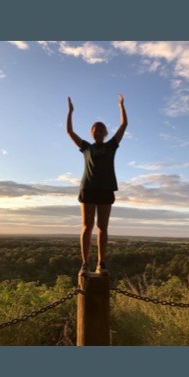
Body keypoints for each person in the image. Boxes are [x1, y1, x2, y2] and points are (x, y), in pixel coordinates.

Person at [66, 95, 128, 276]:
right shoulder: (86, 147)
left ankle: (102, 264)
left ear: (105, 133)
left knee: (103, 228)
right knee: (87, 227)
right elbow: (70, 132)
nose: (98, 132)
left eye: (101, 130)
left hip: (106, 189)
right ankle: (85, 264)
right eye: (95, 129)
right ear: (91, 132)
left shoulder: (111, 146)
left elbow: (124, 125)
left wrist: (121, 106)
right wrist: (70, 112)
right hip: (88, 189)